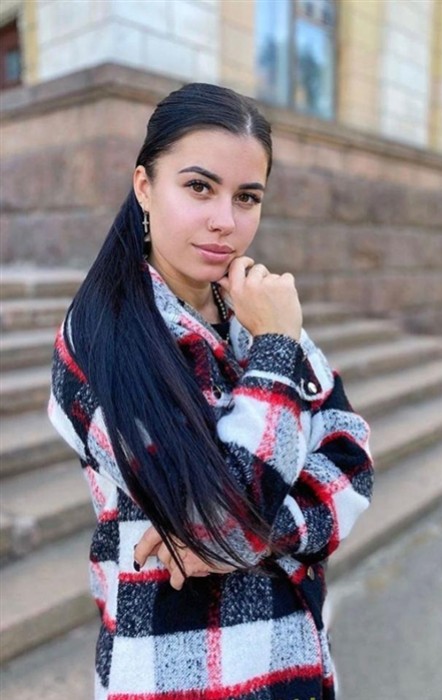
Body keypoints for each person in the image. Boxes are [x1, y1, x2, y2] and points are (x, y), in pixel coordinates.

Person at [49, 82, 373, 700]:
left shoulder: (255, 307)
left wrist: (259, 533)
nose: (225, 220)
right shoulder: (99, 340)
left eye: (246, 197)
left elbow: (351, 461)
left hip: (293, 662)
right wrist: (276, 350)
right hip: (180, 673)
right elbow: (218, 519)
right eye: (199, 187)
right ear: (145, 186)